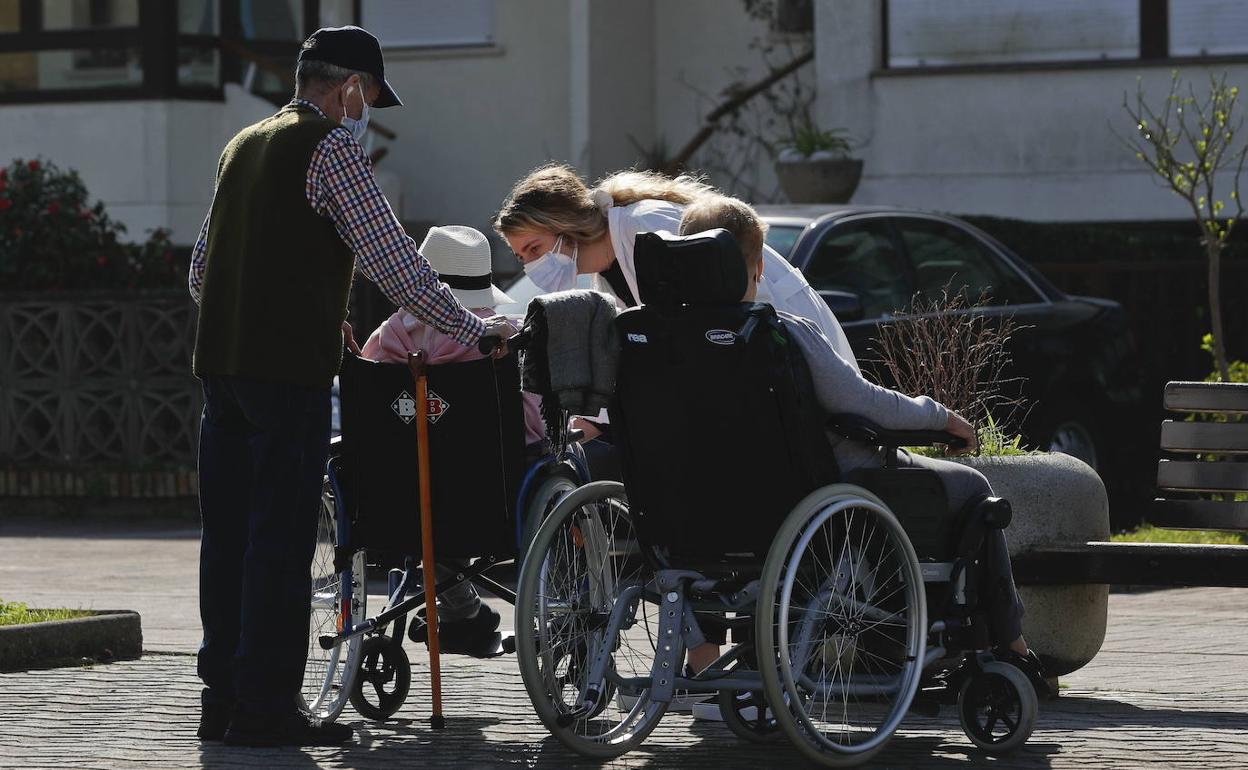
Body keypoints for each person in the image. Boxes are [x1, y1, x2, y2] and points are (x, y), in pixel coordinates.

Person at [188, 26, 513, 747]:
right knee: (280, 540)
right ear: (350, 90)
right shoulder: (331, 147)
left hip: (221, 369)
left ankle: (223, 696)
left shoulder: (243, 144)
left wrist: (298, 308)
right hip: (285, 376)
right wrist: (472, 328)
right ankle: (268, 707)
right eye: (368, 99)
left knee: (229, 537)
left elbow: (199, 273)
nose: (366, 113)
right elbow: (395, 263)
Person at [676, 195, 1049, 715]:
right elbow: (863, 403)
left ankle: (906, 644)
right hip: (819, 497)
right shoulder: (780, 334)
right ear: (757, 265)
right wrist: (940, 419)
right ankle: (1008, 648)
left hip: (701, 516)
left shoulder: (653, 343)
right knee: (975, 492)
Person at [492, 164, 861, 442]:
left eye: (535, 249)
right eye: (522, 257)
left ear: (566, 226)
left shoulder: (648, 225)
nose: (531, 265)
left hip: (780, 335)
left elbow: (723, 309)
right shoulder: (606, 276)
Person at [360, 225, 545, 656]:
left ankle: (462, 612)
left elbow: (369, 416)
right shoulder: (504, 342)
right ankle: (463, 613)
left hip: (401, 501)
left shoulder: (385, 340)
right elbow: (532, 424)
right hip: (489, 496)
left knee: (433, 505)